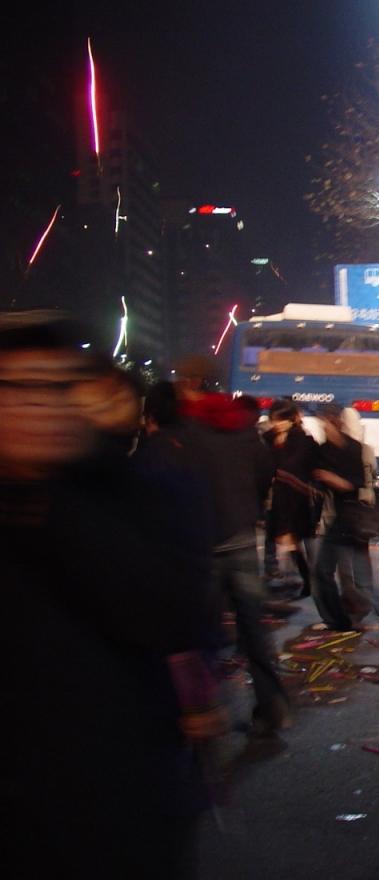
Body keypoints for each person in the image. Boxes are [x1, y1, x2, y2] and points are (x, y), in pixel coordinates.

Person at [0, 311, 211, 875]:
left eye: (57, 388)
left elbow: (178, 617)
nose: (39, 405)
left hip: (116, 813)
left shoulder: (139, 497)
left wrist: (60, 500)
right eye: (19, 387)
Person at [173, 355, 289, 737]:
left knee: (202, 630)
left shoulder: (187, 430)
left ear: (193, 382)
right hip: (241, 537)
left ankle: (205, 707)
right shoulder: (243, 428)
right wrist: (247, 507)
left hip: (203, 542)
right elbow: (264, 471)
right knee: (252, 627)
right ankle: (272, 704)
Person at [337, 406, 379, 640]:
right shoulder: (366, 449)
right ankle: (359, 614)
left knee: (349, 571)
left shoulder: (345, 449)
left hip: (349, 516)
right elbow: (373, 473)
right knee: (358, 568)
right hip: (362, 514)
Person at [308, 403, 368, 632]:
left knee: (353, 574)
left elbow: (356, 483)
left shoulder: (353, 448)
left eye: (324, 422)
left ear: (334, 422)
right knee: (325, 571)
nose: (322, 427)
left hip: (351, 518)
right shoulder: (323, 450)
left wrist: (332, 479)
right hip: (333, 519)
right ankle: (338, 619)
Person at [264, 398, 319, 598]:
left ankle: (309, 581)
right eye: (274, 419)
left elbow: (294, 467)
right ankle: (302, 581)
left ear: (292, 419)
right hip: (277, 498)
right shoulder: (268, 439)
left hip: (298, 499)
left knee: (296, 541)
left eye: (282, 419)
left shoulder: (304, 441)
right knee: (288, 542)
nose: (277, 424)